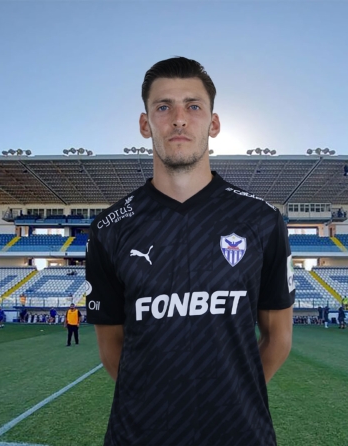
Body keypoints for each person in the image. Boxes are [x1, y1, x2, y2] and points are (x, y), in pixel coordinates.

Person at [85, 57, 295, 446]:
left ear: (213, 124)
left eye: (193, 106)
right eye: (164, 107)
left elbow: (278, 338)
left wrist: (229, 398)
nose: (179, 119)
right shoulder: (110, 228)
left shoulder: (262, 220)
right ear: (145, 124)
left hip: (240, 436)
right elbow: (111, 346)